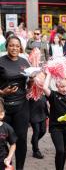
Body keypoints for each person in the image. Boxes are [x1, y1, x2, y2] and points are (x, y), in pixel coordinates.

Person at [0, 36, 30, 170]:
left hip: (21, 106)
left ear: (21, 47)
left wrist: (35, 79)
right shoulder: (0, 62)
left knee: (21, 139)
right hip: (3, 107)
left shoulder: (24, 61)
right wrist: (2, 92)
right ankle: (6, 165)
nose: (14, 48)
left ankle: (20, 168)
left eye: (17, 46)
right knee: (3, 139)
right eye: (11, 45)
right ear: (7, 47)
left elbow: (29, 83)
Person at [43, 74, 66, 170]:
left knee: (64, 151)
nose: (64, 89)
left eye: (65, 86)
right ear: (57, 86)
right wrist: (48, 74)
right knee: (60, 150)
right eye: (61, 86)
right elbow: (44, 87)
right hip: (56, 128)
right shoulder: (53, 95)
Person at [0, 98, 17, 170]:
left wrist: (9, 158)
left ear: (1, 114)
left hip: (3, 161)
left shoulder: (7, 128)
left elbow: (13, 144)